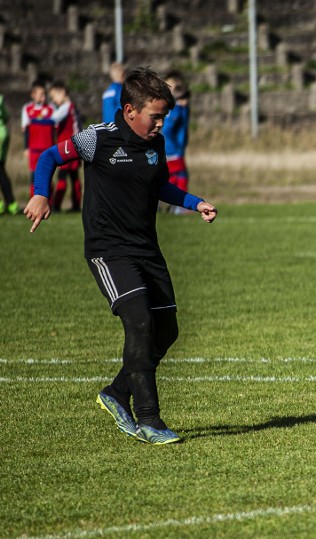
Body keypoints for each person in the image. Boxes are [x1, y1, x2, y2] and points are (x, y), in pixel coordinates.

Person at [23, 67, 219, 445]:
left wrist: (195, 203)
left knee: (168, 330)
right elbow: (48, 156)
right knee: (140, 322)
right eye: (155, 116)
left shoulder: (155, 144)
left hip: (147, 248)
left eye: (165, 116)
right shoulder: (97, 139)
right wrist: (40, 193)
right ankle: (150, 420)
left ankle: (115, 392)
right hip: (108, 250)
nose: (161, 123)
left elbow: (160, 185)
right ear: (129, 110)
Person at [49, 81, 82, 212]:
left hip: (67, 148)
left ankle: (56, 205)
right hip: (75, 147)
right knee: (74, 177)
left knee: (62, 176)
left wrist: (42, 117)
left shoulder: (66, 107)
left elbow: (53, 119)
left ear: (62, 93)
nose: (53, 100)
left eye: (54, 97)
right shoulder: (71, 107)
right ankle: (76, 205)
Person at [162, 71, 191, 213]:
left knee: (173, 177)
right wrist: (175, 145)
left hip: (173, 149)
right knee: (181, 176)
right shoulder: (176, 109)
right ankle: (179, 206)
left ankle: (171, 205)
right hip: (174, 150)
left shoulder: (178, 108)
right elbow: (167, 129)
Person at [21, 80, 55, 200]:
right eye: (40, 94)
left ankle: (49, 202)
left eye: (44, 94)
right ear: (33, 95)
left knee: (48, 175)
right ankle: (33, 200)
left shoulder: (51, 109)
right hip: (34, 149)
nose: (43, 97)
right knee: (34, 176)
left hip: (47, 148)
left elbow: (55, 130)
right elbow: (26, 131)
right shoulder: (27, 109)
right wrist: (26, 147)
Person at [0, 93, 20, 215]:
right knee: (1, 169)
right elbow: (6, 117)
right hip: (3, 133)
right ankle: (11, 203)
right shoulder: (1, 98)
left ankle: (7, 203)